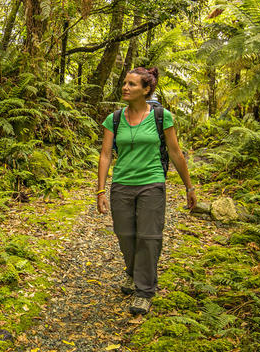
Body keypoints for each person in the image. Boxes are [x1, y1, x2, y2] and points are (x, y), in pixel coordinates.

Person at [95, 67, 196, 315]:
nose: (125, 88)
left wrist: (189, 187)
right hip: (122, 185)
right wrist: (100, 190)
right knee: (125, 234)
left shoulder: (162, 117)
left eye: (132, 84)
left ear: (146, 89)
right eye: (125, 83)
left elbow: (175, 152)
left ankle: (144, 291)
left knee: (149, 238)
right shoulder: (114, 119)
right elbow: (106, 154)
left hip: (152, 183)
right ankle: (132, 273)